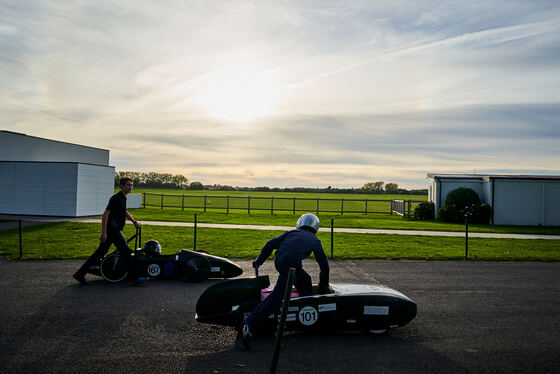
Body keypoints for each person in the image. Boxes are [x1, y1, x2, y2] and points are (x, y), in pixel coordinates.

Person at [241, 213, 329, 348]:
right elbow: (324, 267)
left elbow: (269, 244)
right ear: (315, 227)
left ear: (300, 223)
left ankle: (304, 313)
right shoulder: (315, 240)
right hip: (290, 265)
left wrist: (259, 261)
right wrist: (323, 289)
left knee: (305, 281)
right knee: (277, 296)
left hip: (281, 261)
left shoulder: (291, 232)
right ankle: (250, 324)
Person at [73, 177, 146, 286]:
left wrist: (134, 221)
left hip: (115, 231)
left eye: (131, 185)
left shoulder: (123, 198)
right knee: (126, 252)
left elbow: (124, 211)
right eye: (128, 185)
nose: (130, 187)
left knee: (99, 253)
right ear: (121, 186)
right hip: (112, 231)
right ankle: (134, 278)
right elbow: (105, 214)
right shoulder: (115, 198)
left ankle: (79, 274)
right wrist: (104, 233)